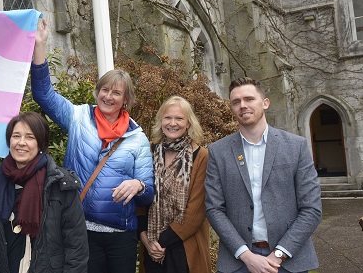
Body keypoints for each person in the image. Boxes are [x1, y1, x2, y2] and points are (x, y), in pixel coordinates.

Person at [30, 19, 154, 273]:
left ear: (126, 100)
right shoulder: (78, 118)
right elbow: (44, 95)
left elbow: (149, 192)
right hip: (80, 230)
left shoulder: (137, 138)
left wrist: (138, 184)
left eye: (116, 93)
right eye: (104, 90)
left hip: (121, 235)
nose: (108, 96)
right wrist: (39, 47)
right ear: (97, 92)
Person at [205, 77, 322, 273]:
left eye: (249, 99)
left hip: (288, 261)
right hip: (239, 261)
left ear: (265, 103)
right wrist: (246, 255)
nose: (243, 105)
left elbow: (311, 208)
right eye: (236, 102)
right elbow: (214, 208)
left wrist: (278, 255)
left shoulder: (296, 146)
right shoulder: (218, 151)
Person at [0, 111, 88, 272]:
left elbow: (76, 247)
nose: (21, 143)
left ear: (40, 143)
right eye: (16, 136)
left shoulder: (60, 185)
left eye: (30, 137)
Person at [138, 96, 211, 273]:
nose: (173, 123)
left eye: (179, 118)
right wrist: (146, 240)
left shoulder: (201, 156)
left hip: (184, 248)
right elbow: (140, 201)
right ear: (161, 121)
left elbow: (196, 211)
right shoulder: (149, 151)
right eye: (167, 117)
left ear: (188, 123)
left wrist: (159, 243)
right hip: (151, 248)